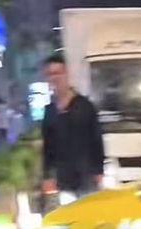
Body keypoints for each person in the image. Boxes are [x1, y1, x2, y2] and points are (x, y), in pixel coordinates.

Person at [42, 53, 104, 199]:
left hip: (87, 177)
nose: (55, 78)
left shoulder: (84, 106)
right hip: (63, 180)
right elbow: (48, 148)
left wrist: (99, 171)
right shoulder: (50, 111)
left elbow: (96, 140)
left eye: (58, 73)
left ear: (66, 74)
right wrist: (47, 176)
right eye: (50, 74)